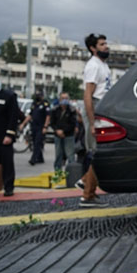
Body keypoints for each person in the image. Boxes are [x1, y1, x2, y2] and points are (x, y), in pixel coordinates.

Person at [80, 33, 112, 207]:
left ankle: (85, 181)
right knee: (96, 152)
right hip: (95, 108)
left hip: (101, 108)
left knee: (99, 150)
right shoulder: (93, 66)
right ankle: (87, 195)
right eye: (102, 44)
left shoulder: (103, 65)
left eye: (106, 43)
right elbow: (88, 95)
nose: (106, 46)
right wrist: (92, 122)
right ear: (93, 48)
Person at [45, 92, 79, 171]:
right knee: (58, 155)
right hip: (57, 135)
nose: (64, 100)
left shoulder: (72, 110)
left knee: (70, 155)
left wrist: (63, 131)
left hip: (69, 135)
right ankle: (58, 173)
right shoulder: (55, 109)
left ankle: (72, 173)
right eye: (62, 98)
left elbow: (72, 123)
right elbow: (52, 122)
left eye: (66, 98)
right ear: (59, 99)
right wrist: (57, 131)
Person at [19, 92, 50, 165]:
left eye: (39, 95)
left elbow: (48, 116)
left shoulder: (45, 104)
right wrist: (23, 124)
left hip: (41, 126)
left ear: (42, 96)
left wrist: (45, 126)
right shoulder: (34, 103)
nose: (38, 97)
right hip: (34, 126)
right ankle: (40, 158)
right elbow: (30, 115)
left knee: (37, 143)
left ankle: (33, 159)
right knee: (35, 142)